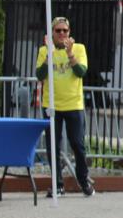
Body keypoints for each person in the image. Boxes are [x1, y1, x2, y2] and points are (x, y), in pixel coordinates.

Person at [36, 17, 94, 197]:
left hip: (73, 104)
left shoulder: (79, 48)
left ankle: (83, 181)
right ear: (52, 33)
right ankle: (57, 185)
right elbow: (40, 75)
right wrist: (49, 55)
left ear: (69, 32)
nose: (62, 33)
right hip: (51, 104)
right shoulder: (44, 50)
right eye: (58, 30)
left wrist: (70, 54)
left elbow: (81, 72)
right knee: (53, 145)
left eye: (65, 31)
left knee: (77, 144)